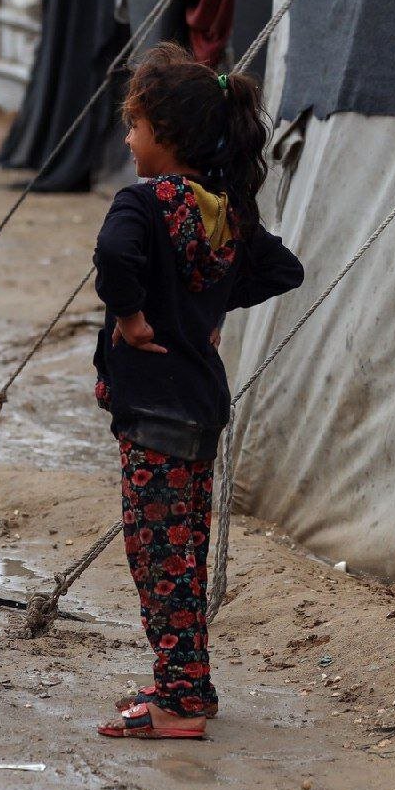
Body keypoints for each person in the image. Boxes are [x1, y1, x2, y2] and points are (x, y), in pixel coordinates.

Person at [93, 43, 303, 739]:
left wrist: (131, 319)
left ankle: (178, 707)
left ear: (166, 137)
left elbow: (114, 258)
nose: (128, 140)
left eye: (135, 127)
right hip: (199, 413)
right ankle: (190, 686)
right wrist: (207, 308)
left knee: (158, 561)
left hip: (153, 415)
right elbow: (284, 269)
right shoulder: (224, 213)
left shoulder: (144, 204)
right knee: (183, 553)